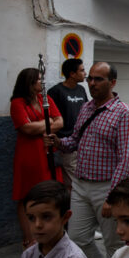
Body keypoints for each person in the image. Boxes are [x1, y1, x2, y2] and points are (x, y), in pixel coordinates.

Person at [44, 61, 129, 258]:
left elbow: (126, 160)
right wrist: (58, 142)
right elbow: (74, 141)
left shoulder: (124, 113)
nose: (92, 83)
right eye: (90, 79)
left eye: (99, 79)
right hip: (80, 185)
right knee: (77, 238)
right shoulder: (86, 108)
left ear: (112, 82)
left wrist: (113, 197)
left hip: (107, 188)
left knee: (114, 244)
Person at [11, 68, 63, 249]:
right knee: (27, 195)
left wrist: (39, 125)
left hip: (48, 152)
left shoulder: (45, 99)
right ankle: (29, 239)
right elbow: (26, 128)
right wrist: (48, 123)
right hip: (29, 156)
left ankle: (50, 234)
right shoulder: (17, 103)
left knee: (51, 193)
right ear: (29, 82)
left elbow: (60, 122)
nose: (42, 83)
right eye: (39, 80)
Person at [48, 58, 88, 189]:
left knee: (78, 181)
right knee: (74, 184)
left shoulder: (81, 89)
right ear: (72, 74)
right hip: (65, 145)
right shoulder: (56, 92)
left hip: (81, 143)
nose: (85, 73)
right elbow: (50, 118)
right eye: (82, 70)